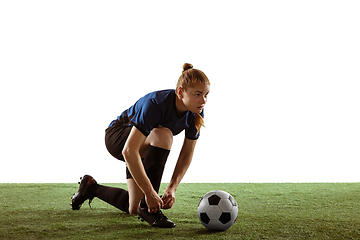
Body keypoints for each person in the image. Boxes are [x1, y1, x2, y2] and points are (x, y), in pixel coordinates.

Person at [71, 63, 210, 228]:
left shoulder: (196, 111)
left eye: (206, 95)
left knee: (133, 207)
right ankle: (150, 209)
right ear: (180, 92)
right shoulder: (156, 103)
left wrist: (172, 187)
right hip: (118, 137)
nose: (204, 100)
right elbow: (129, 150)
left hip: (142, 144)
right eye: (198, 94)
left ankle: (91, 188)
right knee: (164, 134)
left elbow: (187, 153)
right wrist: (150, 193)